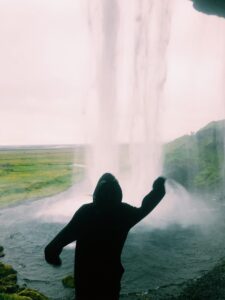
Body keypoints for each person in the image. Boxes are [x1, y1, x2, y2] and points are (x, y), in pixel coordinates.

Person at [44, 173, 166, 300]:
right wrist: (159, 189)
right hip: (110, 279)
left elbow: (52, 247)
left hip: (86, 281)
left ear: (96, 193)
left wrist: (54, 258)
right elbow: (146, 207)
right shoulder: (124, 213)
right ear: (119, 193)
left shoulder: (86, 213)